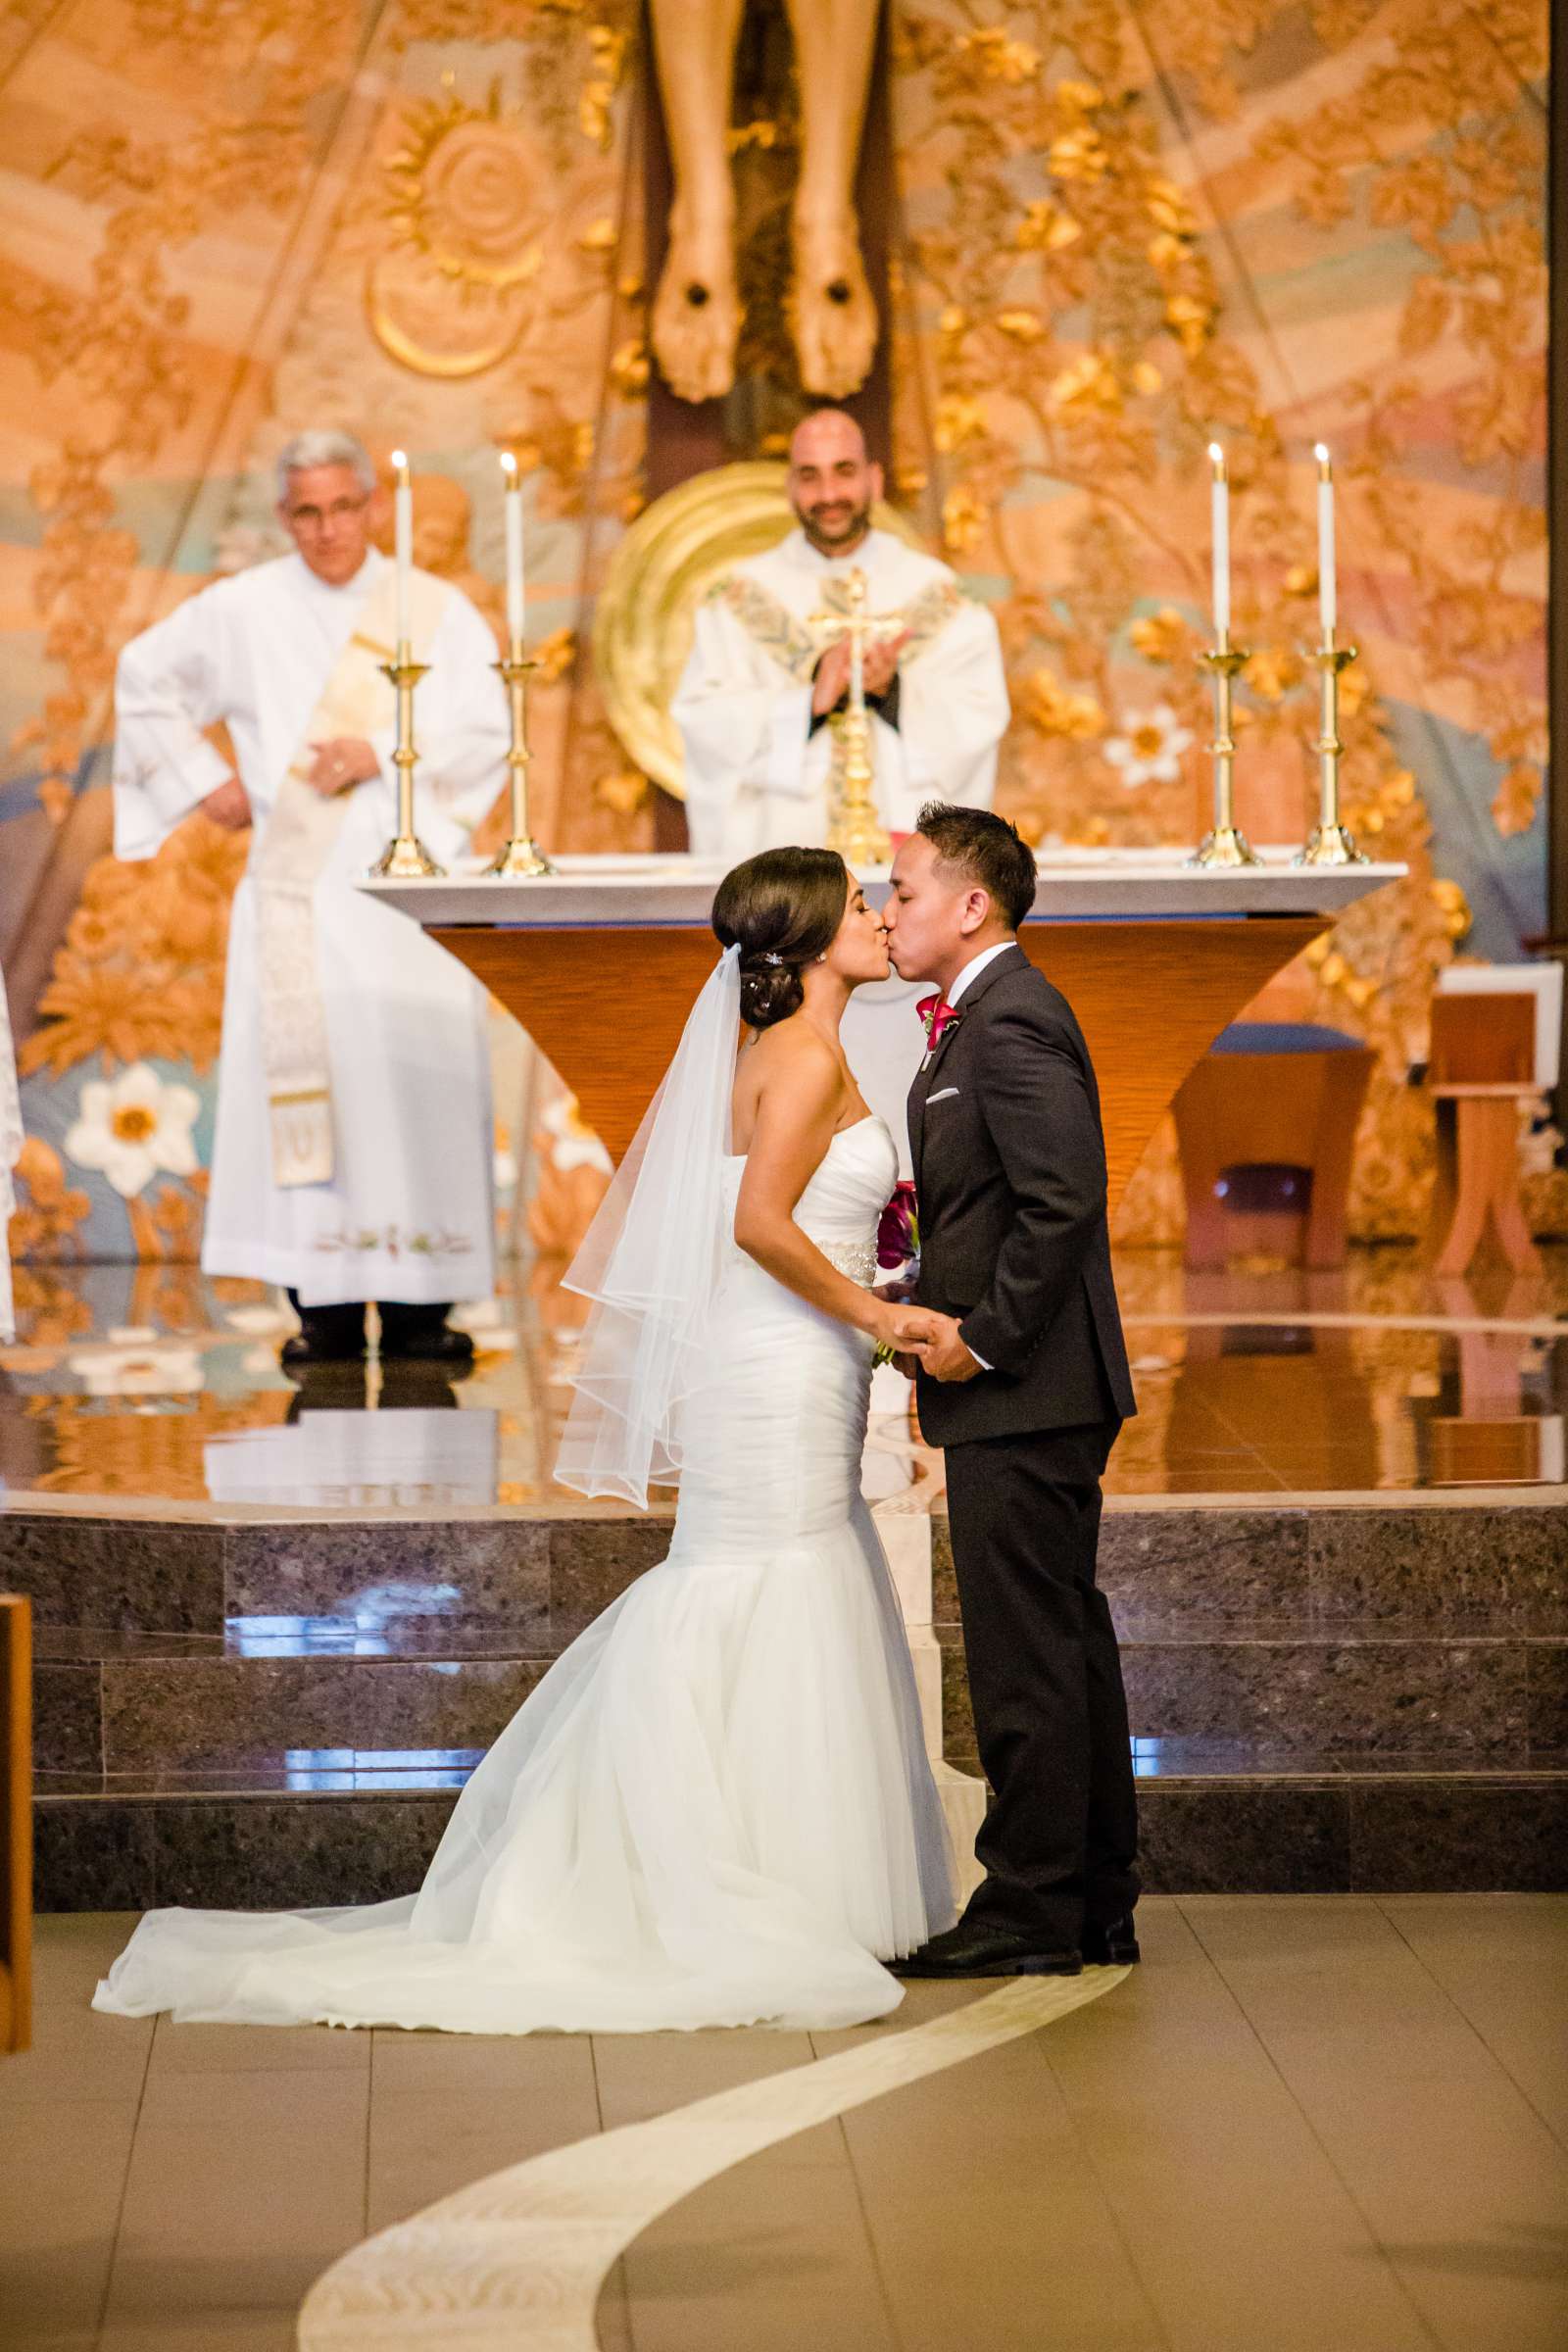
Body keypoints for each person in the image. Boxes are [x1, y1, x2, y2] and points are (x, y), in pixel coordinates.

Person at [93, 850, 956, 2035]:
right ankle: (741, 1879)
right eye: (856, 906)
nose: (874, 918)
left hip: (784, 1358)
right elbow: (761, 1225)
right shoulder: (804, 1056)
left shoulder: (787, 1051)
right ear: (808, 942)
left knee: (776, 1575)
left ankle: (761, 1868)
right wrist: (880, 1314)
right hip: (783, 1358)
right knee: (765, 1581)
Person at [112, 428, 509, 1367]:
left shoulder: (435, 612)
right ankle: (320, 1308)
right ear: (284, 515)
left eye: (342, 507)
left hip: (408, 902)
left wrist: (382, 753)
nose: (326, 529)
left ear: (372, 506)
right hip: (298, 903)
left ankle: (422, 1311)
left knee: (411, 1090)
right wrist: (201, 782)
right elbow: (142, 677)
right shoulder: (241, 610)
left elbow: (489, 733)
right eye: (306, 512)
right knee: (313, 1095)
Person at [882, 802, 1142, 1977]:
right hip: (1032, 1387)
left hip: (1026, 1387)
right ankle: (1090, 1901)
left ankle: (1030, 1912)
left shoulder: (1011, 1018)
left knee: (1025, 1655)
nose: (889, 915)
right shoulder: (975, 1021)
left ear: (969, 903)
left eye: (903, 894)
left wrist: (978, 1341)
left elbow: (1062, 1201)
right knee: (1062, 1644)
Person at [673, 410, 1008, 861]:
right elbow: (704, 722)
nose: (828, 494)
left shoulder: (942, 596)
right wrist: (806, 704)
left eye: (844, 472)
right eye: (810, 476)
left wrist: (893, 692)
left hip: (903, 873)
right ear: (790, 487)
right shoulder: (736, 599)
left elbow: (977, 719)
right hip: (782, 871)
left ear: (875, 479)